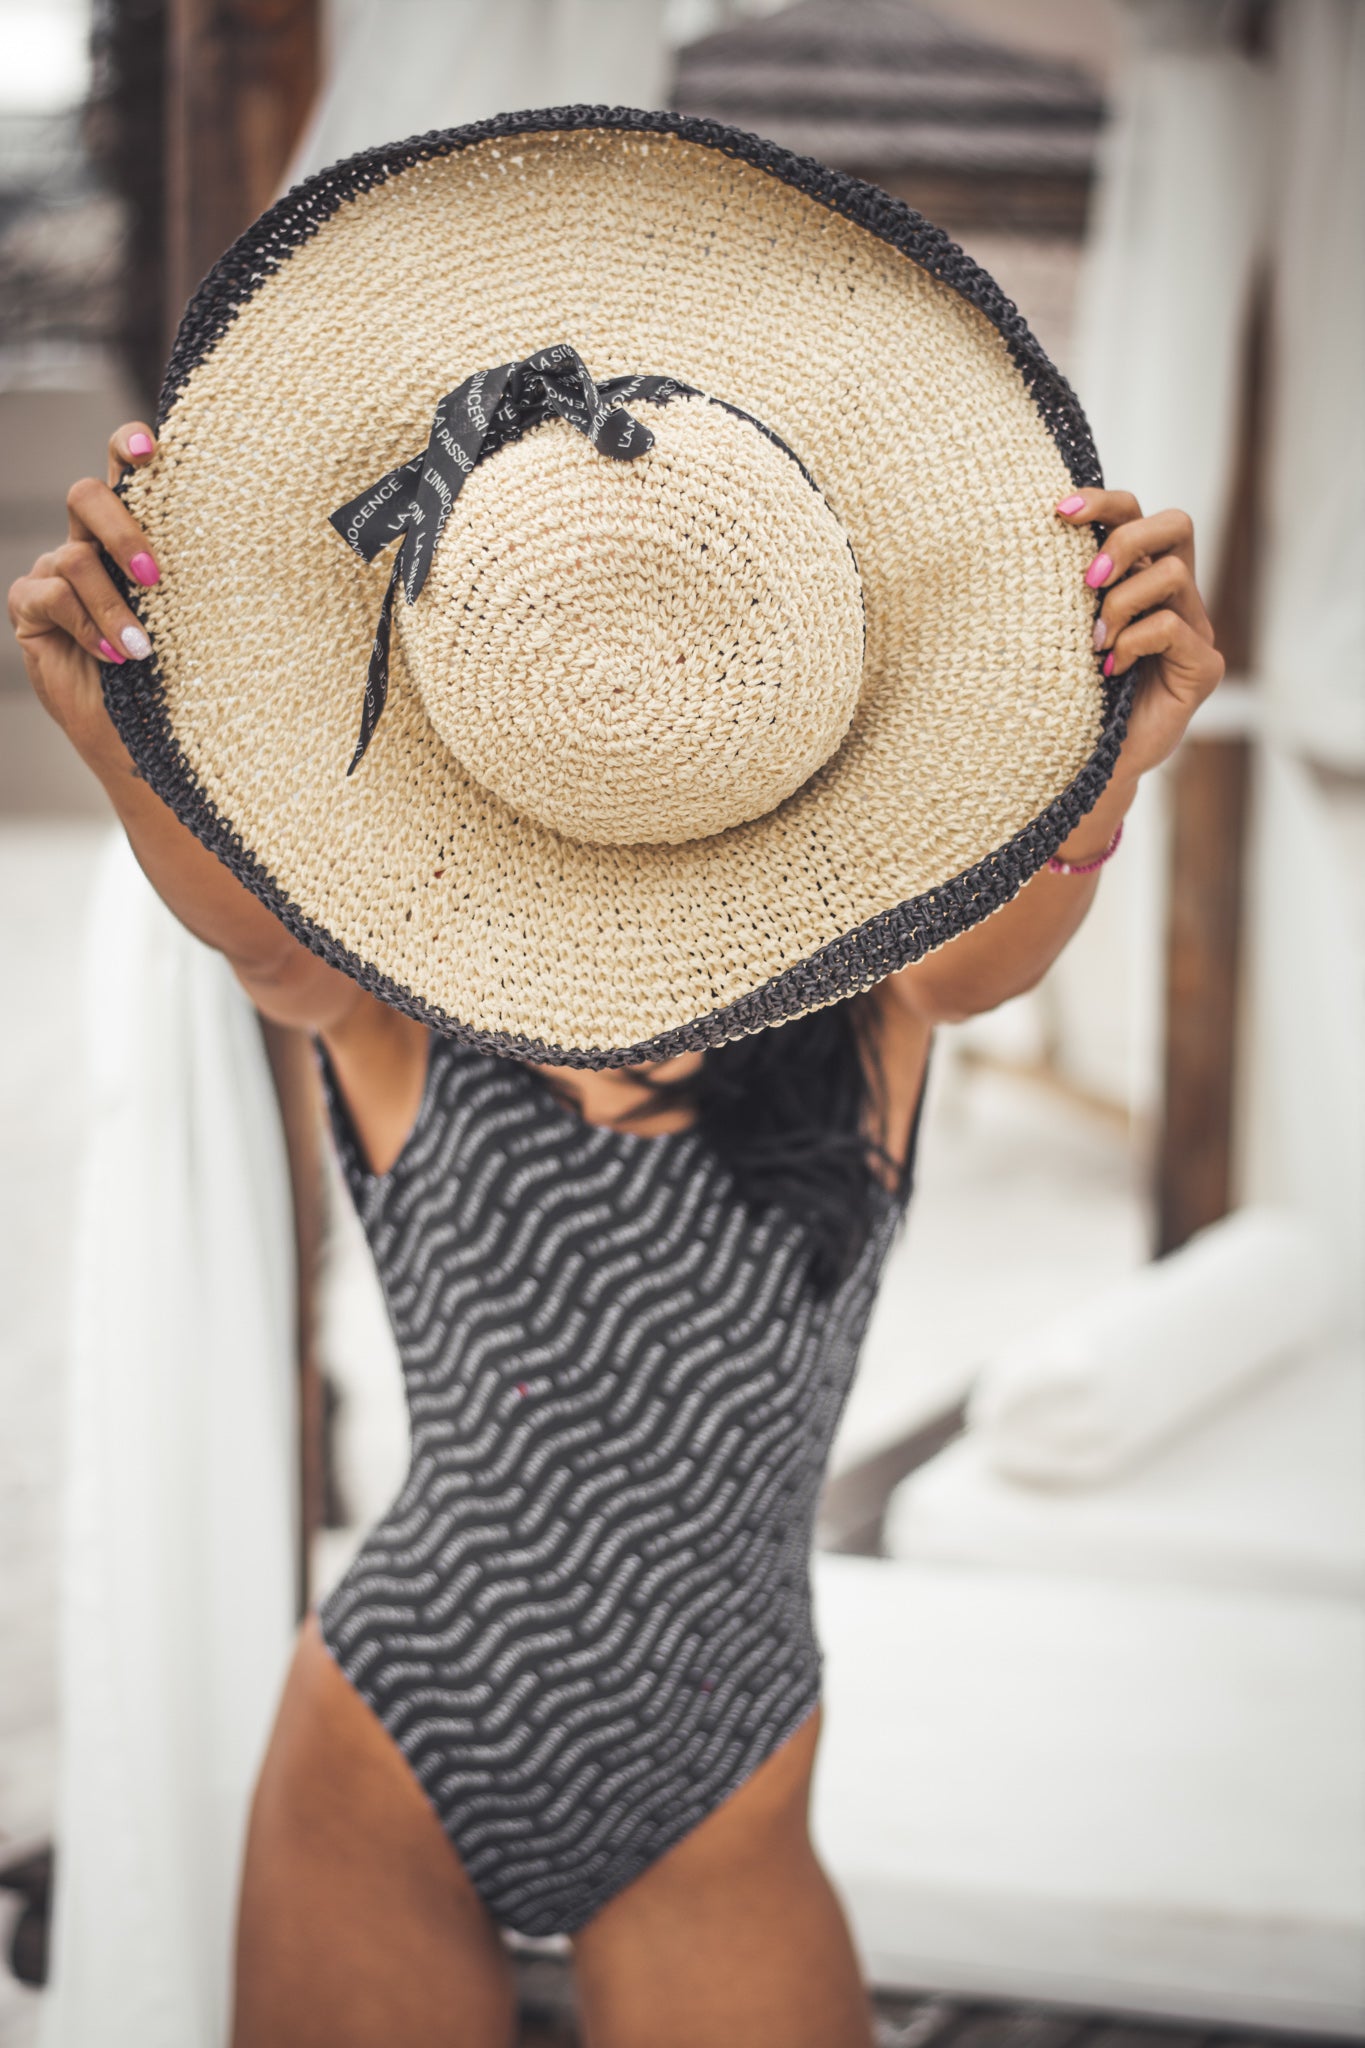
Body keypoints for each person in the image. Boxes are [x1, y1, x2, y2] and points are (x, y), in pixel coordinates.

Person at [9, 115, 1222, 2048]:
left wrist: (1109, 767)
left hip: (720, 1793)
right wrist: (115, 733)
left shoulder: (866, 1015)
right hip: (390, 1745)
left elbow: (994, 949)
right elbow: (261, 947)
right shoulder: (407, 1010)